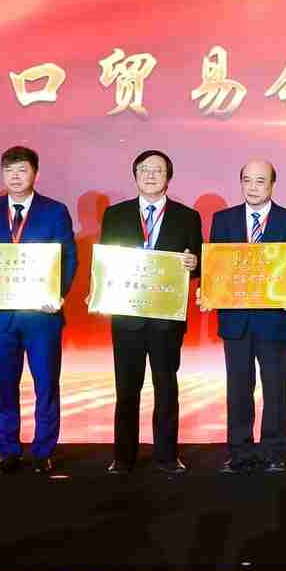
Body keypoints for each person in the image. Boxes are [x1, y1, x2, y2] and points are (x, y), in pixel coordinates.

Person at [94, 150, 202, 475]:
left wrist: (194, 263)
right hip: (126, 318)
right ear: (135, 175)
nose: (151, 175)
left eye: (158, 170)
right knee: (126, 389)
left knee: (166, 388)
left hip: (166, 320)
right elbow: (106, 263)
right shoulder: (115, 214)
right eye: (144, 169)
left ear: (169, 177)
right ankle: (123, 457)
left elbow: (198, 264)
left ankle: (167, 456)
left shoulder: (187, 216)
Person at [0, 146, 78, 475]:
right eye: (9, 171)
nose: (15, 177)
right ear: (2, 174)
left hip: (42, 316)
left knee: (46, 385)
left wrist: (57, 295)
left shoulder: (54, 211)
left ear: (35, 173)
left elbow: (68, 258)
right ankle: (8, 450)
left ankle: (43, 451)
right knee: (3, 385)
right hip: (1, 316)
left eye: (22, 170)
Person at [200, 160, 286, 474]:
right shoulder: (223, 220)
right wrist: (209, 290)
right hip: (235, 321)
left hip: (276, 320)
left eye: (260, 181)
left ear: (272, 184)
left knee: (275, 389)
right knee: (237, 390)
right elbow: (216, 268)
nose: (253, 187)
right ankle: (239, 452)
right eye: (247, 180)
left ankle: (275, 451)